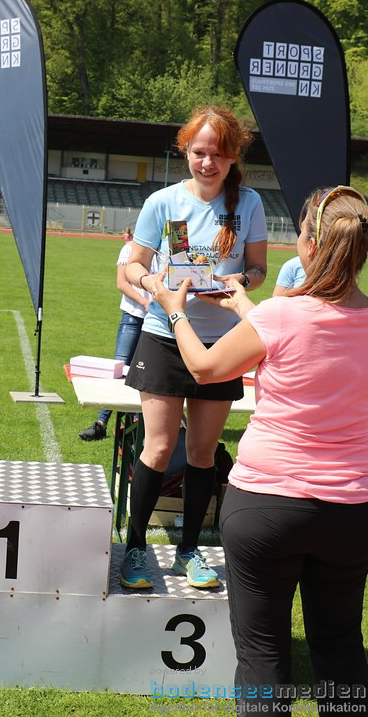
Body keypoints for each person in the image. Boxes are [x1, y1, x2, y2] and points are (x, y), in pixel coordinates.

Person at [148, 185, 368, 716]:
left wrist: (176, 311)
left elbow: (205, 367)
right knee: (339, 646)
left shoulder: (283, 315)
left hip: (268, 502)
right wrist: (243, 303)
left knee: (263, 654)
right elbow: (304, 333)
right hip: (351, 508)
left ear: (308, 245)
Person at [121, 105, 268, 590]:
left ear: (232, 157)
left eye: (218, 155)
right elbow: (132, 266)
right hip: (165, 334)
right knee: (159, 448)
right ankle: (137, 548)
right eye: (199, 153)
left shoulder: (248, 203)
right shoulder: (162, 202)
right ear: (185, 150)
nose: (208, 163)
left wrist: (237, 282)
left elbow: (259, 270)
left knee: (203, 454)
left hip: (222, 340)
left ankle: (189, 551)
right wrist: (154, 285)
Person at [79, 227, 150, 441]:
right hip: (133, 316)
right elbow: (121, 283)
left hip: (157, 322)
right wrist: (145, 302)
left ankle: (138, 422)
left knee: (147, 371)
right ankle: (101, 423)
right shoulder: (128, 249)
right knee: (119, 368)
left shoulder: (167, 252)